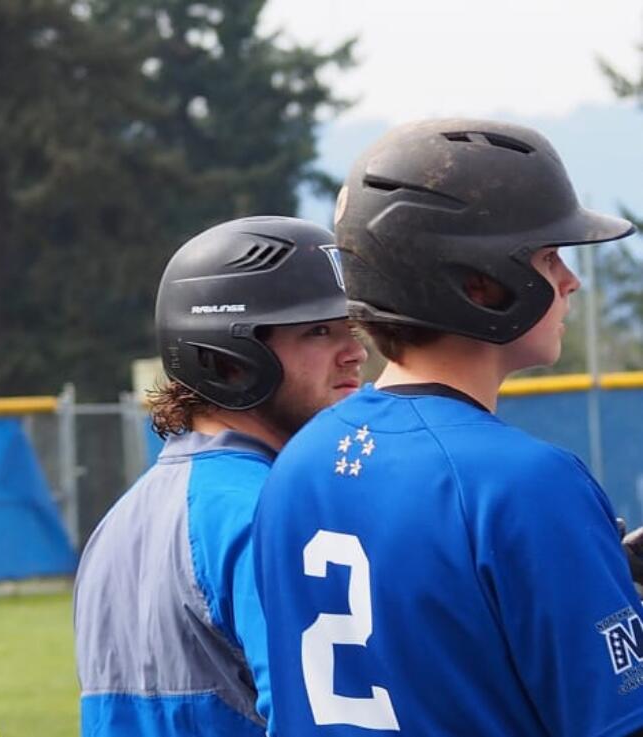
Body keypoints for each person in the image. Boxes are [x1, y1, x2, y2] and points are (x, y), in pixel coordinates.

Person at [254, 119, 643, 735]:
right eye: (549, 256)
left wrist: (597, 571)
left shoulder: (298, 462)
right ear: (481, 285)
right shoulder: (528, 483)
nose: (570, 280)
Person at [74, 216, 368, 736]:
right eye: (319, 330)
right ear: (229, 358)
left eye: (353, 328)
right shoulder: (269, 513)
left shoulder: (116, 524)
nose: (356, 352)